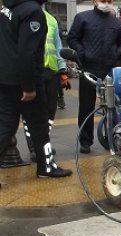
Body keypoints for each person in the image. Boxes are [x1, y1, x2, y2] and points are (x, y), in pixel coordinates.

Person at [0, 0, 71, 178]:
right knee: (39, 126)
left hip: (5, 79)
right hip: (25, 81)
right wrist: (29, 86)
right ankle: (46, 167)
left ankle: (45, 166)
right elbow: (28, 51)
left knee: (6, 126)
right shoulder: (32, 12)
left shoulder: (7, 10)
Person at [67, 0, 121, 153]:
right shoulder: (83, 18)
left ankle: (113, 138)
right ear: (94, 1)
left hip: (110, 68)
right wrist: (82, 53)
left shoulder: (116, 23)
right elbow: (72, 38)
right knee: (86, 105)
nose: (105, 3)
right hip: (89, 67)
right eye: (102, 0)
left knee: (113, 105)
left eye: (108, 1)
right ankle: (85, 141)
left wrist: (117, 54)